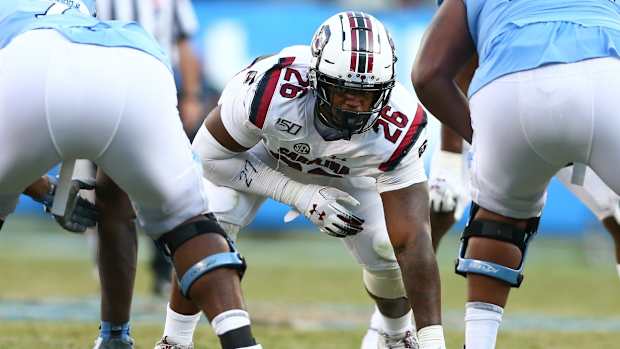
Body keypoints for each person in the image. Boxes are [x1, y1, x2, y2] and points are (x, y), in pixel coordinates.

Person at [156, 11, 446, 349]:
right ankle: (175, 339)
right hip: (266, 155)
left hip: (348, 173)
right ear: (316, 78)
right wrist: (298, 194)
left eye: (365, 95)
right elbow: (207, 157)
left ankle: (396, 335)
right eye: (342, 92)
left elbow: (412, 240)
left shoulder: (400, 123)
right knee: (214, 216)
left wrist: (435, 342)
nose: (352, 107)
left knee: (387, 247)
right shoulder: (274, 87)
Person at [0, 2, 261, 349]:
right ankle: (238, 343)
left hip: (31, 60)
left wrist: (46, 191)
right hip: (135, 58)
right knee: (188, 225)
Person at [412, 0, 620, 348]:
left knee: (497, 225)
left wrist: (482, 142)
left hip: (510, 88)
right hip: (606, 77)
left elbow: (429, 72)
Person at [428, 57, 620, 277]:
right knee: (444, 212)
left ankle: (480, 309)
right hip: (494, 109)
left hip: (568, 106)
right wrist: (450, 158)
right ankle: (399, 304)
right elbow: (452, 69)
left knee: (617, 214)